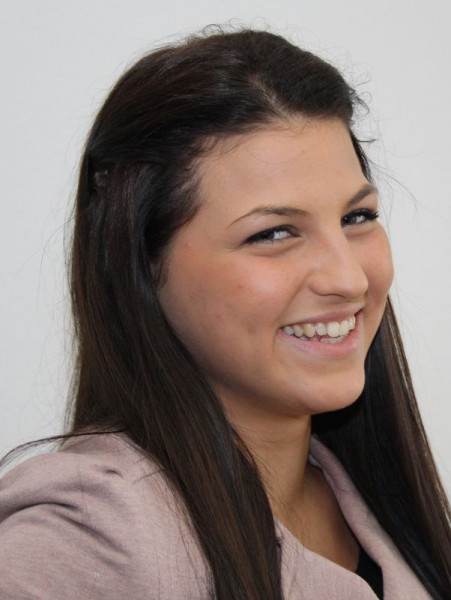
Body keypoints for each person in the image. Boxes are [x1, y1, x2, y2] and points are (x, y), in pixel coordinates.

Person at [0, 27, 449, 600]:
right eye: (275, 232)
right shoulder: (91, 534)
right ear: (141, 263)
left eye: (356, 218)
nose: (349, 279)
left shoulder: (376, 500)